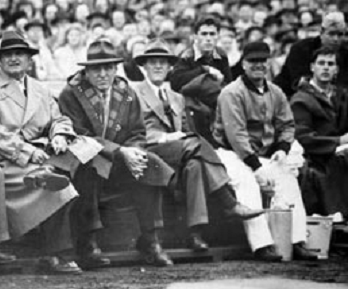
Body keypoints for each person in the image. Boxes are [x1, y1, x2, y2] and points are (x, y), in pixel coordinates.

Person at [0, 30, 92, 274]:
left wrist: (59, 134)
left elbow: (58, 118)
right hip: (2, 160)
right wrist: (25, 151)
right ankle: (55, 253)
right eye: (8, 54)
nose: (14, 58)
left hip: (36, 158)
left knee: (68, 175)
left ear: (29, 60)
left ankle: (56, 252)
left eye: (20, 54)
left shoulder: (40, 88)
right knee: (55, 182)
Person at [133, 39, 264, 253]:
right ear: (144, 67)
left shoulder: (177, 97)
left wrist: (180, 137)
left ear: (169, 69)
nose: (158, 66)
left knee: (195, 163)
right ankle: (228, 201)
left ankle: (195, 233)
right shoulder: (135, 93)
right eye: (153, 62)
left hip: (182, 152)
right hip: (151, 150)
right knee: (196, 144)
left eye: (162, 63)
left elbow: (186, 128)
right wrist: (165, 137)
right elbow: (135, 129)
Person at [58, 39, 175, 268]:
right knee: (88, 165)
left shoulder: (126, 91)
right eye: (96, 69)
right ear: (86, 70)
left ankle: (150, 240)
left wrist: (134, 152)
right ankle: (87, 243)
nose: (103, 74)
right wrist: (121, 152)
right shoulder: (71, 93)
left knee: (150, 162)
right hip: (89, 157)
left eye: (108, 68)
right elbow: (79, 134)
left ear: (115, 69)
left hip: (120, 159)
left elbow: (138, 131)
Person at [213, 41, 318, 262]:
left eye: (262, 61)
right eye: (253, 61)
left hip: (263, 152)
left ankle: (296, 240)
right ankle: (262, 245)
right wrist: (256, 166)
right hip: (231, 153)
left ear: (268, 63)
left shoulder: (275, 91)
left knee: (286, 177)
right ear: (243, 64)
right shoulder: (231, 92)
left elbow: (287, 125)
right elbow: (236, 135)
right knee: (248, 183)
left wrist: (282, 148)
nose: (258, 65)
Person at [292, 46, 348, 218]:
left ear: (336, 69)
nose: (326, 67)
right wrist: (338, 142)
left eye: (330, 64)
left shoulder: (342, 95)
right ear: (312, 67)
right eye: (321, 63)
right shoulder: (301, 100)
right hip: (317, 157)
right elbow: (303, 138)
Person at [171, 15, 231, 143]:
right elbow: (175, 83)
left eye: (212, 34)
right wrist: (204, 70)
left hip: (216, 103)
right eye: (204, 34)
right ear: (196, 36)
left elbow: (228, 82)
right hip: (191, 107)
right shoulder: (186, 56)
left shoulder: (221, 55)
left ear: (217, 36)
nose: (208, 39)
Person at [274, 11, 347, 98]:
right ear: (322, 32)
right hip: (290, 96)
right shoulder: (301, 49)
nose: (336, 39)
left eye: (340, 35)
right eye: (331, 34)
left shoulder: (345, 53)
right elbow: (298, 81)